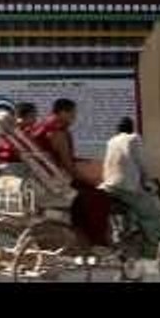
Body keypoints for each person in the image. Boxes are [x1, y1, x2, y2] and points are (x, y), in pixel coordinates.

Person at [29, 98, 111, 248]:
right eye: (73, 114)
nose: (74, 118)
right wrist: (91, 181)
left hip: (44, 176)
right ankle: (97, 242)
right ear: (63, 112)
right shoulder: (57, 131)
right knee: (99, 197)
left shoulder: (41, 126)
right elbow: (68, 166)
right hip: (54, 180)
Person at [99, 118, 160, 245]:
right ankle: (157, 241)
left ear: (117, 130)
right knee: (151, 213)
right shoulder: (133, 139)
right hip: (125, 185)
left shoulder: (111, 142)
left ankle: (125, 236)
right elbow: (142, 164)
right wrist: (152, 181)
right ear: (132, 128)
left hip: (108, 185)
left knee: (130, 207)